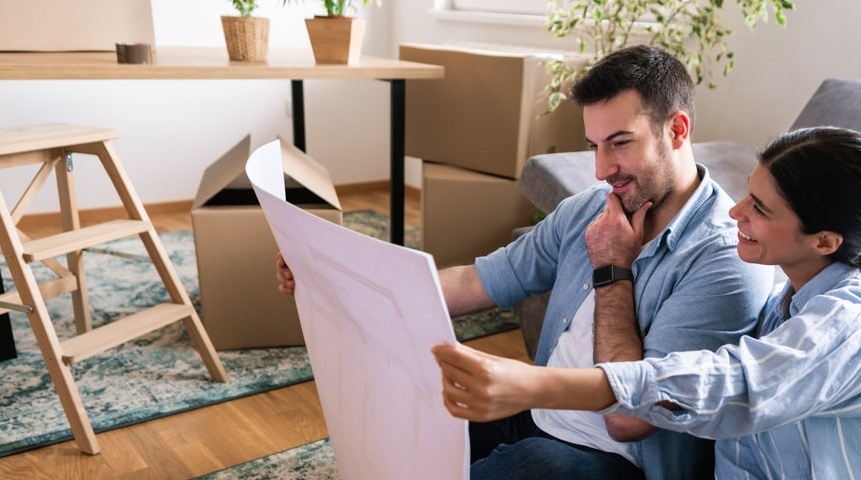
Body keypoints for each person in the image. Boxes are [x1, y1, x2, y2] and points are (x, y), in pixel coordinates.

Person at [278, 45, 774, 479]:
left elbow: (629, 417)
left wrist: (612, 269)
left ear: (678, 130)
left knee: (525, 467)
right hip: (541, 412)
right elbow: (477, 281)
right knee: (403, 420)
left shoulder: (727, 260)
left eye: (620, 143)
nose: (602, 171)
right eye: (594, 147)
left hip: (620, 458)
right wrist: (333, 278)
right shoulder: (587, 210)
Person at [432, 127, 861, 479]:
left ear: (825, 240)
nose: (735, 214)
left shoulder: (854, 327)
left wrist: (528, 382)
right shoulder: (784, 308)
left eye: (760, 208)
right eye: (747, 195)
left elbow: (727, 386)